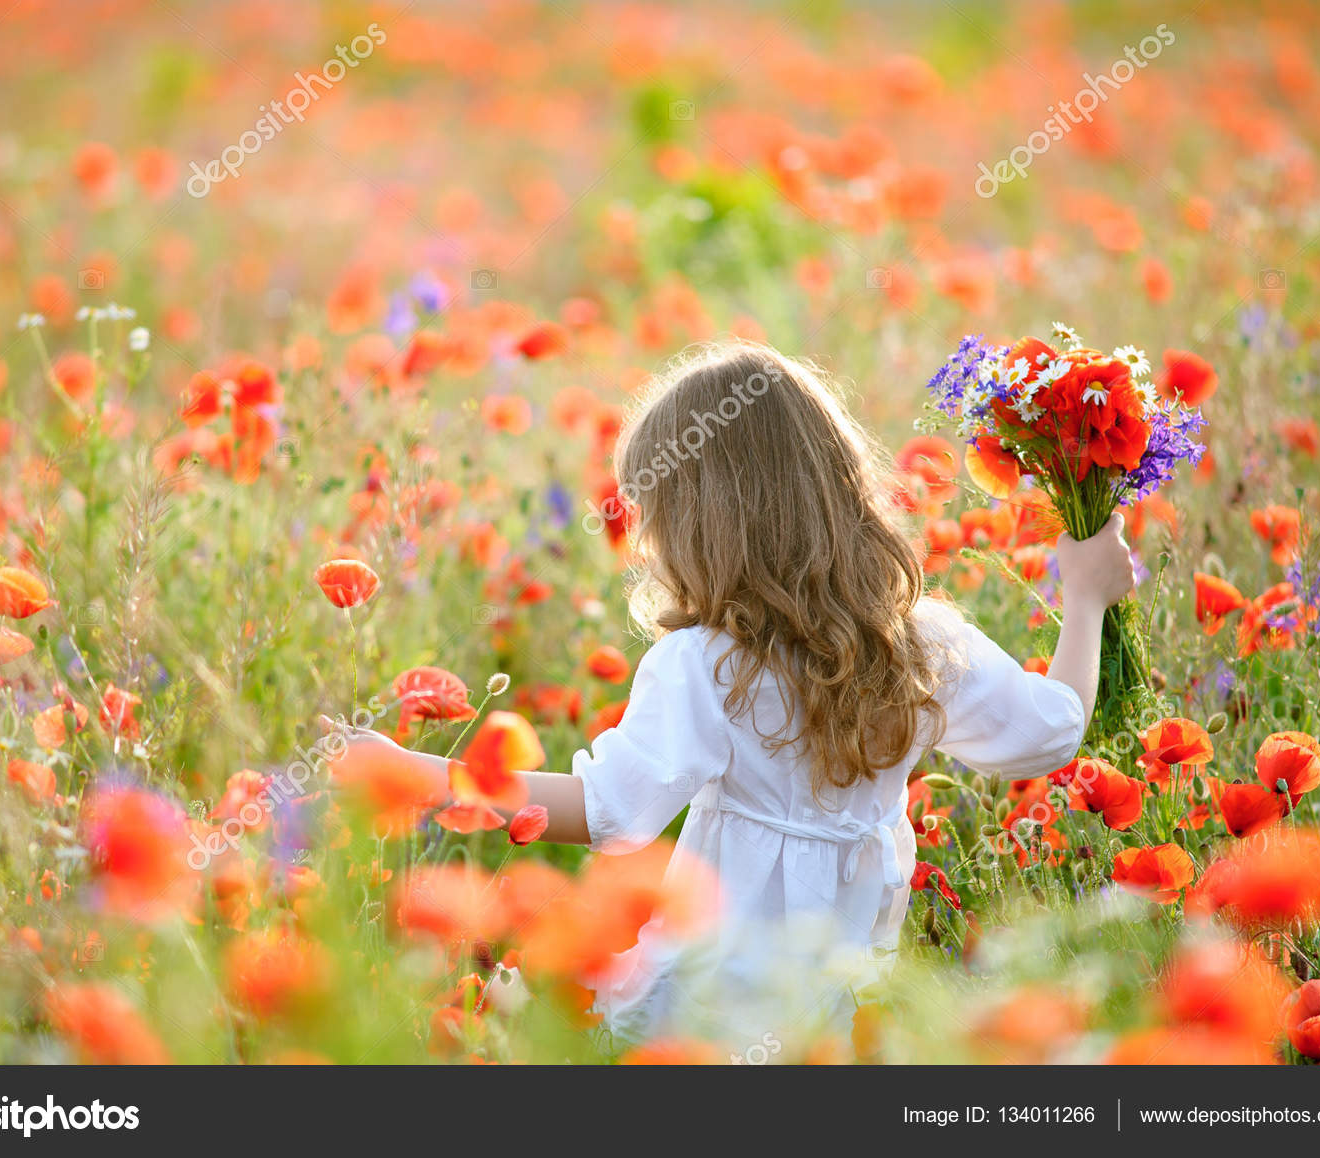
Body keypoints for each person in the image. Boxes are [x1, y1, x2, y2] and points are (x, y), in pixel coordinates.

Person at [334, 341, 1136, 1048]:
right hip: (844, 999)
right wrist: (1087, 600)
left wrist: (424, 777)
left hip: (709, 1012)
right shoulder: (919, 639)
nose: (646, 541)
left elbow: (610, 810)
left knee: (519, 1006)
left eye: (656, 517)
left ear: (705, 526)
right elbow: (1053, 733)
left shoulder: (706, 664)